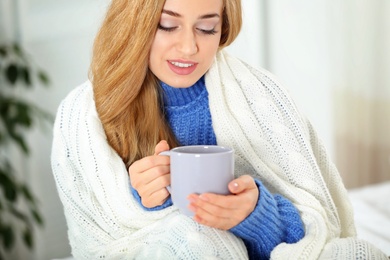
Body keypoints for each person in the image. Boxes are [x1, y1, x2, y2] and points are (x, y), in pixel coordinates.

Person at [51, 0, 388, 259]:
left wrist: (256, 214)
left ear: (223, 29)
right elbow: (101, 245)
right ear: (135, 22)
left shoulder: (259, 95)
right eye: (167, 25)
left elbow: (316, 230)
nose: (188, 48)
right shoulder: (86, 117)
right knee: (197, 240)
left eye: (207, 29)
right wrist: (145, 203)